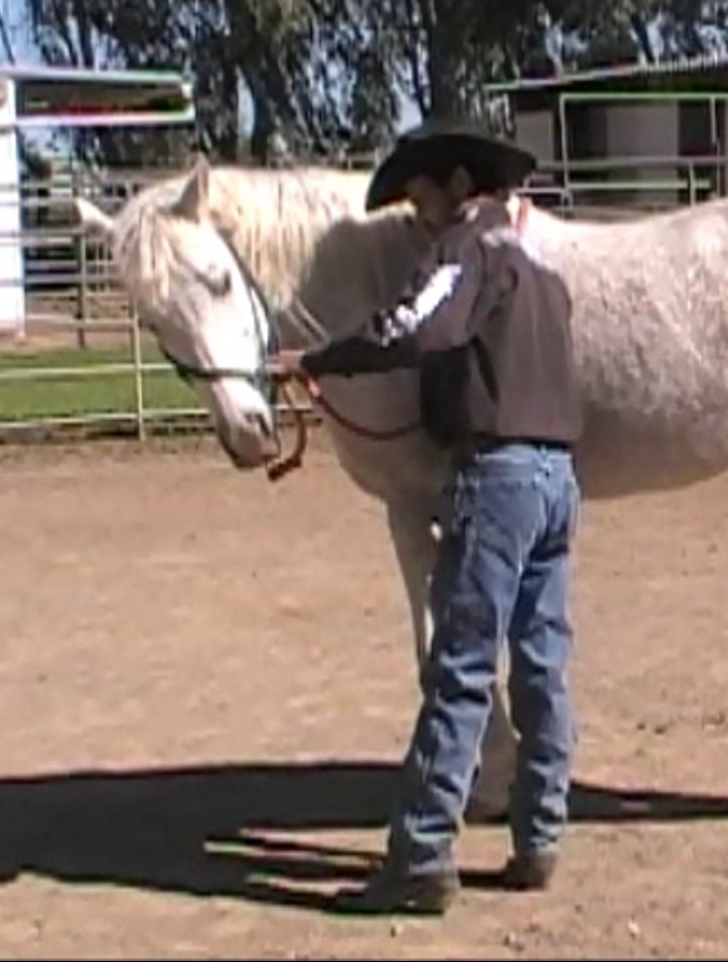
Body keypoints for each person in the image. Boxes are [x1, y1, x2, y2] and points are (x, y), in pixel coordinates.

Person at [267, 120, 584, 916]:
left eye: (417, 199)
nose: (415, 218)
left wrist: (317, 360)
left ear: (452, 187)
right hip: (556, 477)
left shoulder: (464, 254)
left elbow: (416, 326)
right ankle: (539, 835)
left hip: (499, 475)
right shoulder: (542, 276)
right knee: (542, 661)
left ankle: (423, 851)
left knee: (462, 665)